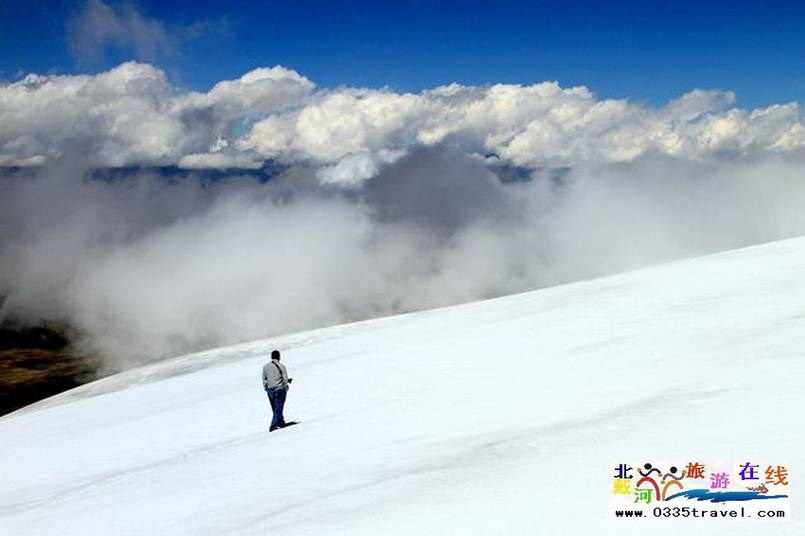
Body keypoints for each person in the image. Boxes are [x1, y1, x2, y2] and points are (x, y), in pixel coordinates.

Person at [262, 349, 293, 431]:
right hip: (279, 389)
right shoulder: (281, 366)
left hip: (270, 390)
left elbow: (264, 378)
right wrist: (286, 387)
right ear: (279, 356)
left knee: (275, 408)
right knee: (279, 407)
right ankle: (274, 425)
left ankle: (280, 421)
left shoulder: (265, 367)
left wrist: (266, 388)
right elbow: (284, 378)